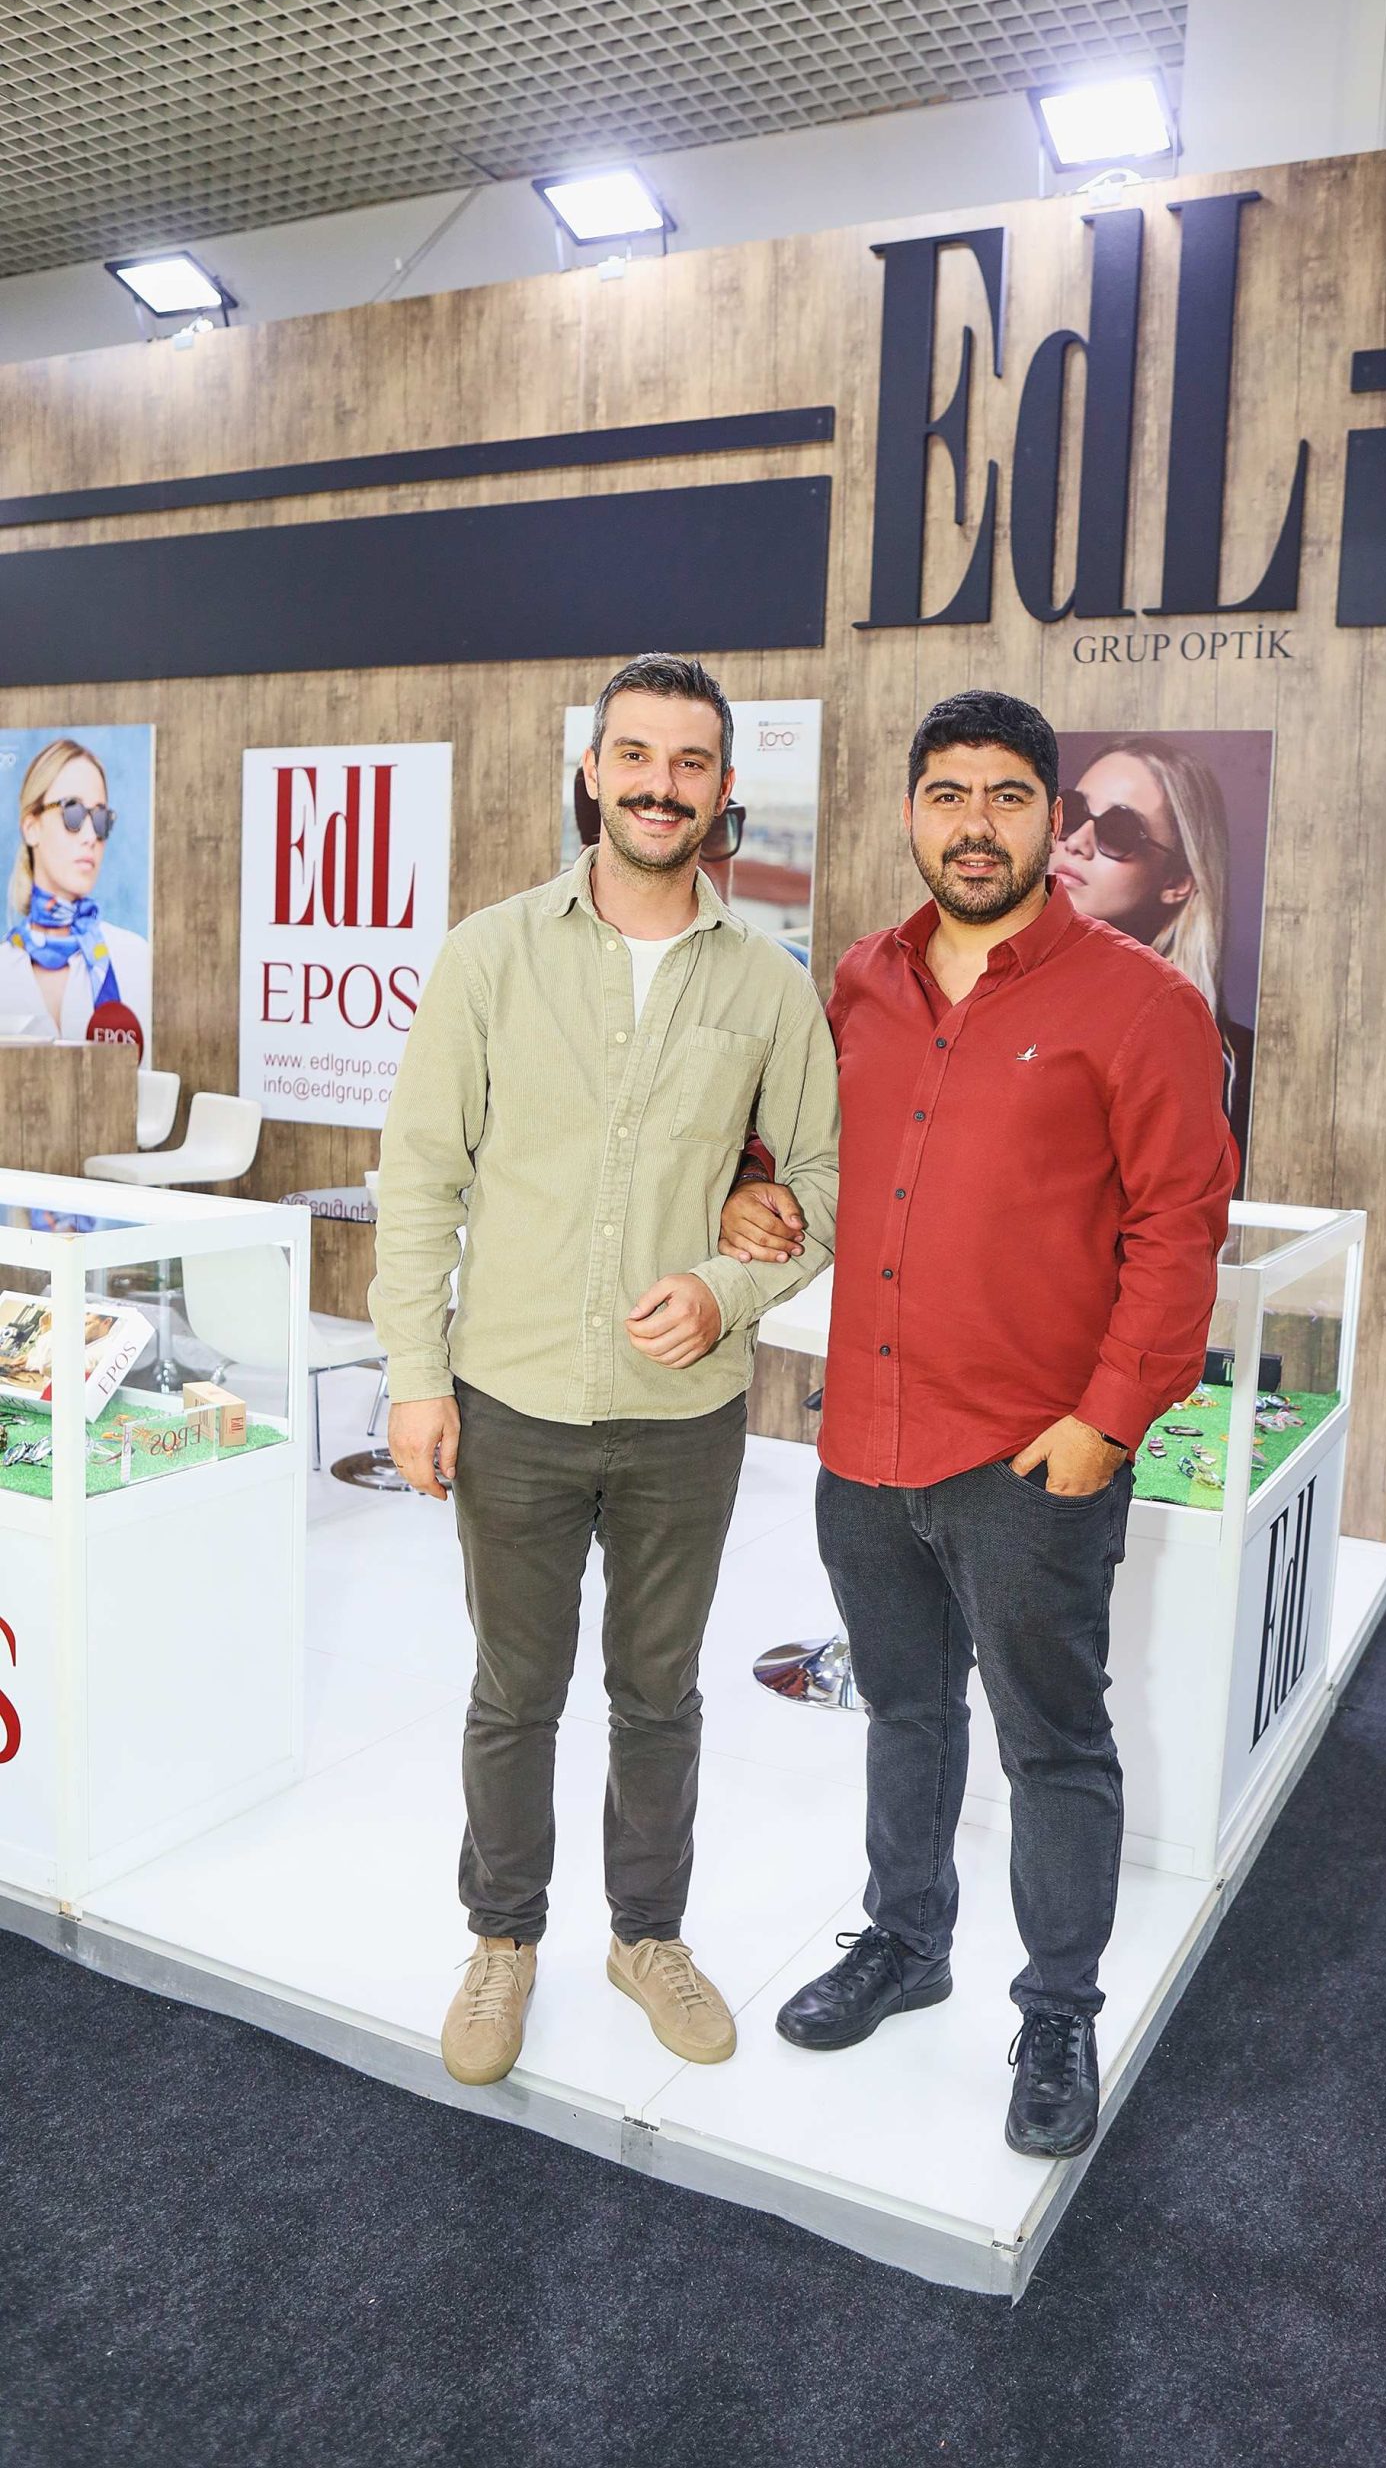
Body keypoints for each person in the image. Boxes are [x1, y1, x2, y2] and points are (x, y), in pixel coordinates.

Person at [721, 689, 1236, 2159]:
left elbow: (1177, 1231)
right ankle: (905, 1941)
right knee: (902, 1710)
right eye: (947, 794)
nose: (975, 824)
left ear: (1049, 822)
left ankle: (1058, 2008)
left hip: (1029, 1457)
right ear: (910, 812)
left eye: (1009, 796)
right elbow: (786, 1146)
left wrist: (1106, 1424)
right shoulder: (857, 982)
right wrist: (749, 1187)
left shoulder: (1140, 1004)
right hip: (866, 1441)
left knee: (1051, 1742)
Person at [371, 652, 838, 2089]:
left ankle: (647, 1939)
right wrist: (415, 1374)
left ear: (722, 788)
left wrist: (727, 1285)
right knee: (514, 1693)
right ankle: (503, 1940)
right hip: (508, 1394)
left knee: (658, 1694)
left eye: (689, 763)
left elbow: (821, 1181)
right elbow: (421, 1177)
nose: (659, 785)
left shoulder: (767, 986)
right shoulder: (489, 954)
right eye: (634, 756)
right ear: (591, 771)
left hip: (682, 1418)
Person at [1047, 736, 1252, 1157]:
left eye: (1120, 831)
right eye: (1073, 811)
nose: (1077, 841)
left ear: (1177, 882)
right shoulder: (980, 990)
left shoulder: (1219, 1063)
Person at [0, 738, 151, 1056]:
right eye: (73, 812)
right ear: (31, 827)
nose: (91, 836)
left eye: (100, 819)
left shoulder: (135, 960)